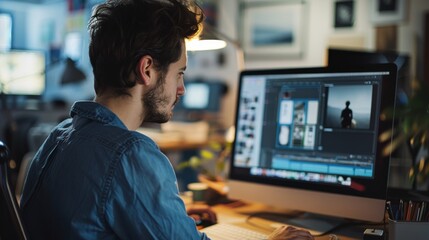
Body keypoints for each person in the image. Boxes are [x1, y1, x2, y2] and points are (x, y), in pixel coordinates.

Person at [20, 0, 314, 239]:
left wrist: (170, 214)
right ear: (147, 70)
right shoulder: (130, 153)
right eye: (179, 74)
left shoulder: (58, 137)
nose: (181, 89)